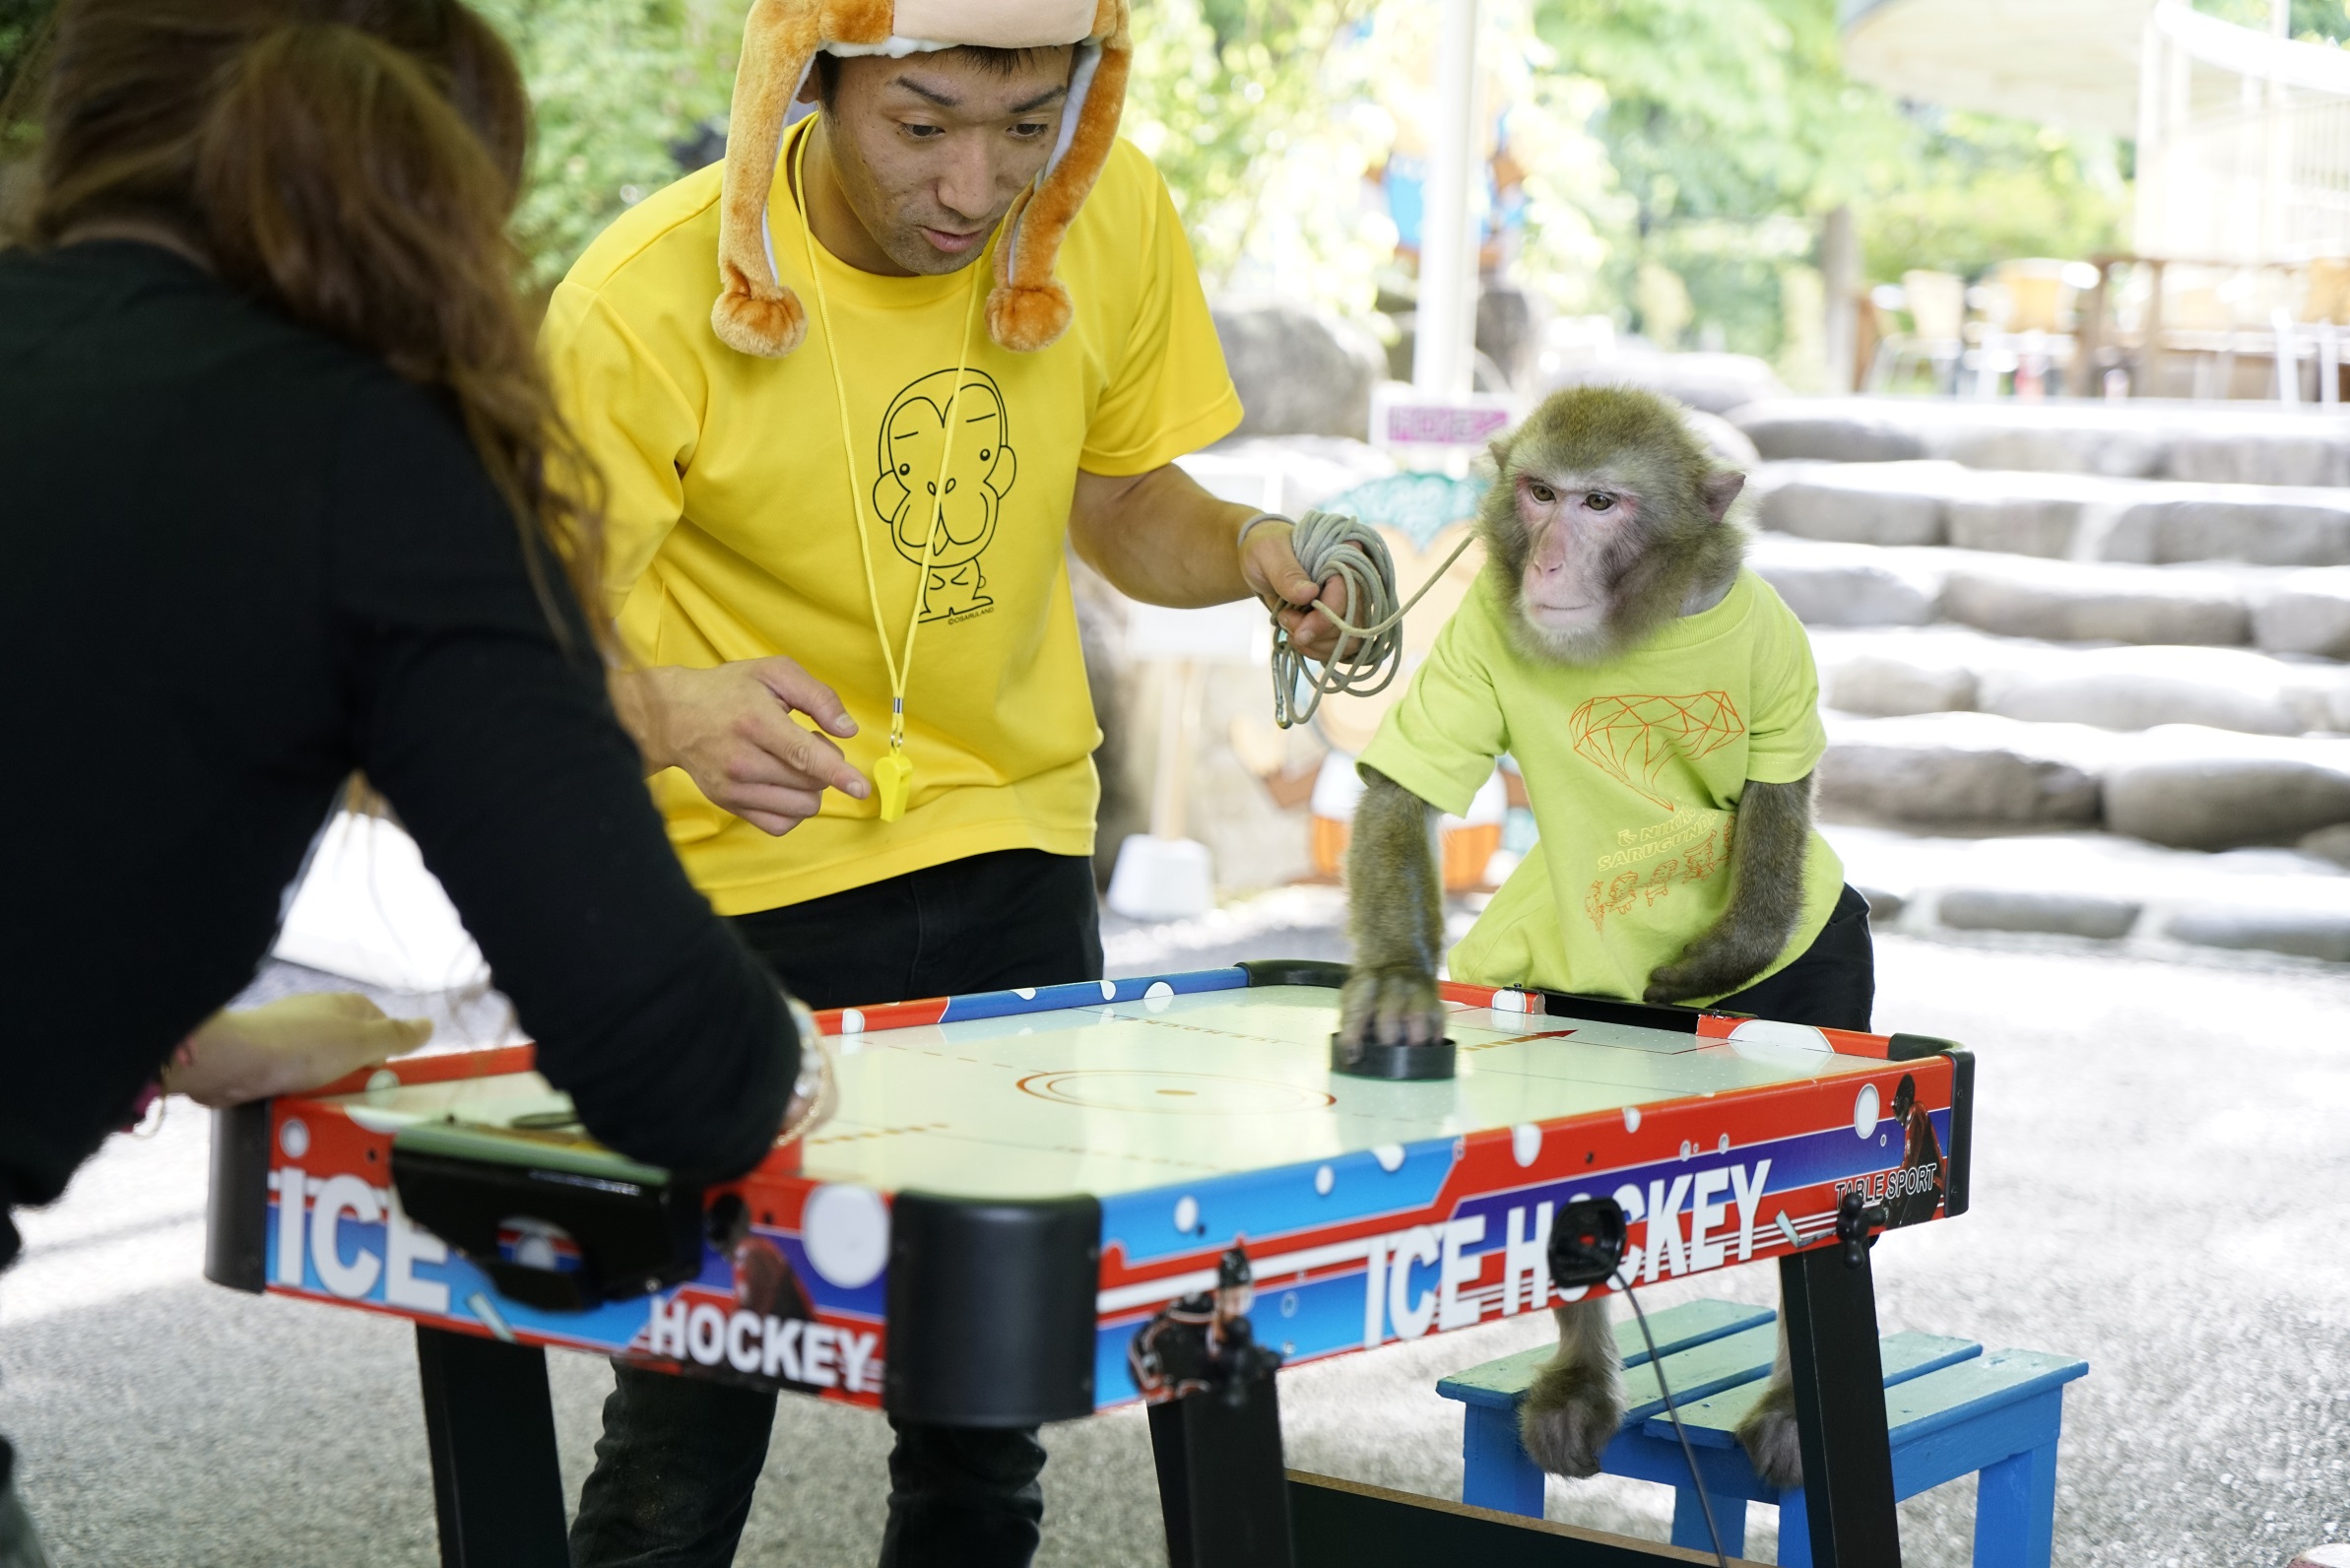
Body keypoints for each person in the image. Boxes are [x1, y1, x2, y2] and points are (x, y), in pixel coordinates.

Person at [0, 2, 815, 1558]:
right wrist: (794, 1056)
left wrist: (168, 1044)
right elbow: (681, 1073)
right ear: (437, 197)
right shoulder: (370, 454)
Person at [542, 6, 1352, 1563]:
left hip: (1019, 853)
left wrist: (1253, 549)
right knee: (701, 1386)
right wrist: (660, 700)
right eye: (921, 125)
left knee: (986, 1407)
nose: (977, 187)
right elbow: (513, 634)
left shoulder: (1098, 210)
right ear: (811, 76)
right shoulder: (647, 298)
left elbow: (1120, 496)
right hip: (740, 891)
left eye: (1026, 121)